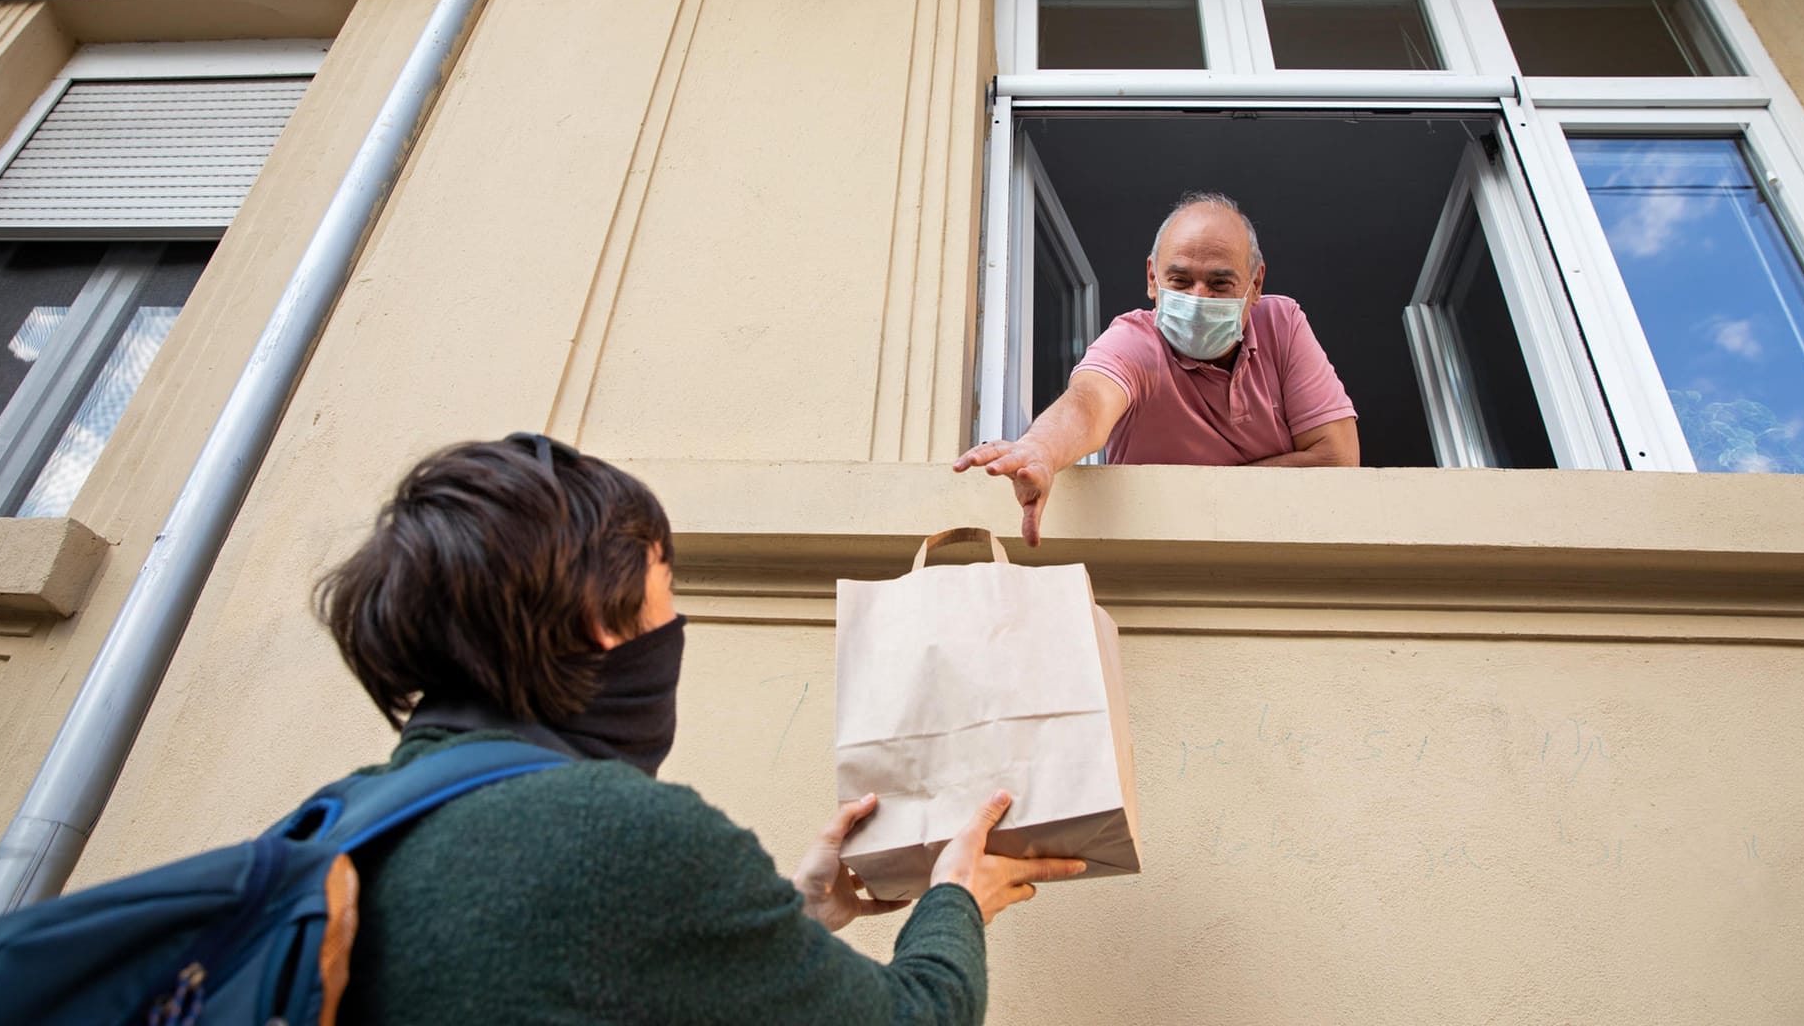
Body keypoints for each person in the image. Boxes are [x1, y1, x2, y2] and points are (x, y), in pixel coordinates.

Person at [318, 434, 1084, 1024]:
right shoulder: (622, 834)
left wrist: (796, 916)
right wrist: (956, 898)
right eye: (664, 589)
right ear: (598, 618)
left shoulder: (341, 821)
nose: (674, 622)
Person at [955, 192, 1359, 545]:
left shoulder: (1281, 324)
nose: (1199, 299)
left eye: (1220, 284)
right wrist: (1040, 450)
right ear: (1152, 278)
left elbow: (1337, 460)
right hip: (1158, 563)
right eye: (1180, 280)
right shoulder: (1134, 340)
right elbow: (1088, 403)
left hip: (1281, 559)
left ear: (1255, 285)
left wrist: (1208, 490)